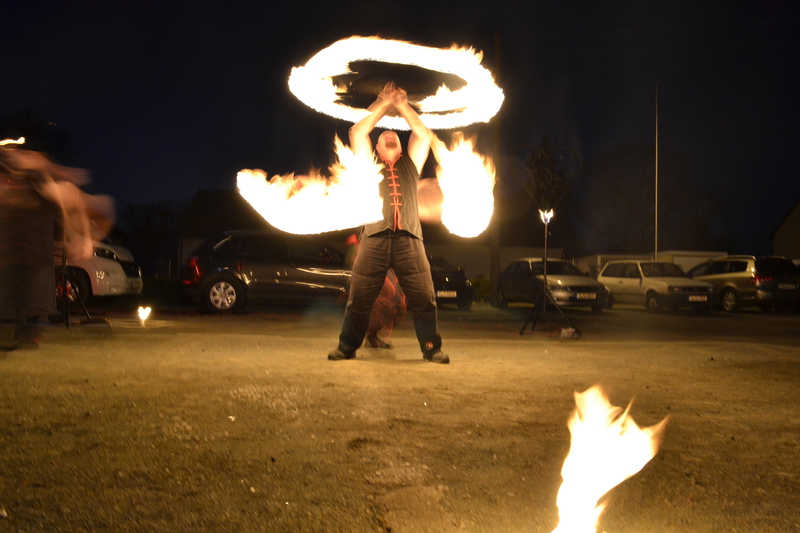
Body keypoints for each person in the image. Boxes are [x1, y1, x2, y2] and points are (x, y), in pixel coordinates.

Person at [328, 82, 448, 363]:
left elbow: (423, 134)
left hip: (409, 239)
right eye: (384, 135)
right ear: (377, 146)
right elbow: (357, 132)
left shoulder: (411, 164)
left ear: (402, 146)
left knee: (424, 298)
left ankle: (432, 349)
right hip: (374, 238)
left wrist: (402, 104)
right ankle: (346, 347)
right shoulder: (368, 165)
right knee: (359, 299)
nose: (390, 135)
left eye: (394, 134)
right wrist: (384, 102)